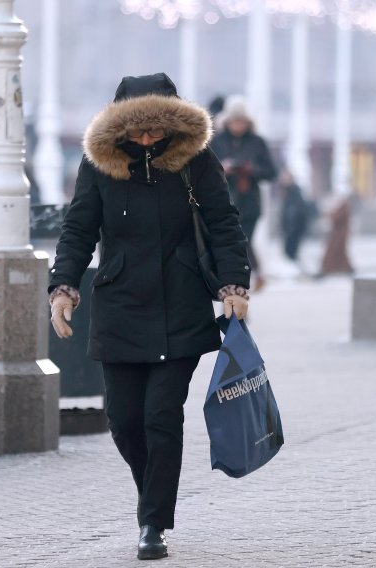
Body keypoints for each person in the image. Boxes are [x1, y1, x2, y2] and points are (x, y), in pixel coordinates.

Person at [47, 73, 251, 560]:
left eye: (155, 132)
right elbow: (78, 229)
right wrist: (63, 287)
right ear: (118, 129)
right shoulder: (98, 165)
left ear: (173, 127)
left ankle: (152, 523)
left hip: (180, 304)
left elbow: (224, 223)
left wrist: (234, 286)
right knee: (123, 422)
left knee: (161, 416)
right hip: (119, 306)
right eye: (137, 132)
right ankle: (151, 498)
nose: (146, 140)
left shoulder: (195, 162)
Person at [210, 95, 277, 291]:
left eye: (241, 121)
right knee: (232, 247)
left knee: (241, 244)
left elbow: (271, 172)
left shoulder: (257, 142)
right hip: (223, 203)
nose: (237, 126)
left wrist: (251, 170)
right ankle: (241, 285)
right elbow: (206, 171)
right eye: (234, 121)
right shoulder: (216, 141)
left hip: (249, 205)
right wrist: (223, 168)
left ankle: (238, 291)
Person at [277, 168, 312, 263]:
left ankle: (293, 270)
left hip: (294, 226)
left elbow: (298, 210)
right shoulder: (286, 191)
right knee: (288, 252)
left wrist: (293, 226)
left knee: (291, 252)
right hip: (289, 226)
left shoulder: (295, 191)